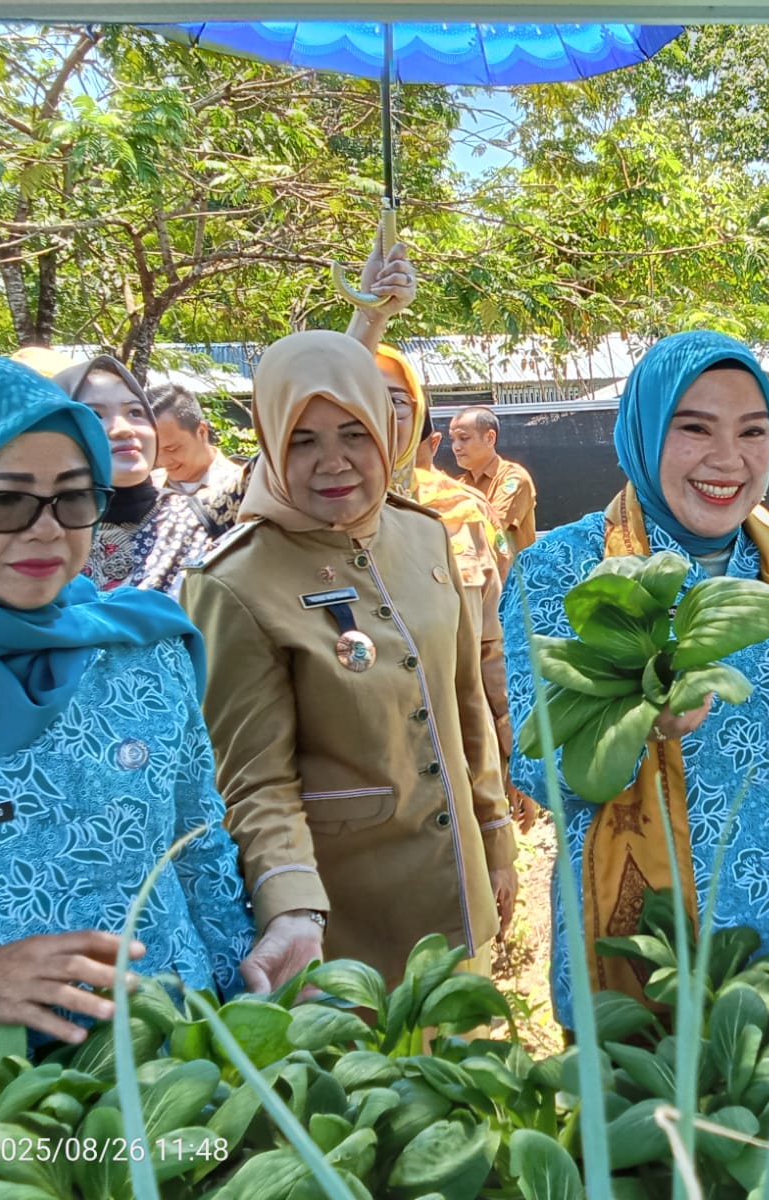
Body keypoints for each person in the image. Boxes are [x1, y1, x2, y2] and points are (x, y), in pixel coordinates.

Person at [502, 330, 769, 1027]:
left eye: (752, 431)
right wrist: (638, 723)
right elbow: (536, 762)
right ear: (645, 429)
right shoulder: (564, 570)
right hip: (651, 949)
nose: (728, 459)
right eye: (694, 428)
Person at [180, 331, 516, 991]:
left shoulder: (423, 534)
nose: (332, 462)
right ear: (270, 439)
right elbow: (253, 782)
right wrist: (290, 906)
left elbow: (462, 702)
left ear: (387, 433)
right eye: (303, 440)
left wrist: (495, 836)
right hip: (343, 931)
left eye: (353, 435)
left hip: (460, 893)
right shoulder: (234, 582)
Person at [0, 355, 253, 1050]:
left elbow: (199, 852)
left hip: (176, 1075)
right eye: (5, 499)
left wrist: (251, 1019)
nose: (48, 529)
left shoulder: (140, 650)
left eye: (75, 497)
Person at [378, 343, 530, 831]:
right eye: (363, 395)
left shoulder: (462, 509)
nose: (381, 413)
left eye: (397, 400)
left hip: (460, 752)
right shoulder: (303, 519)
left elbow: (492, 645)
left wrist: (514, 753)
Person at [55, 356, 218, 595]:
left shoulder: (208, 516)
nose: (122, 428)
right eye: (95, 415)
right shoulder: (41, 532)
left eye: (134, 411)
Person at [149, 383, 246, 537]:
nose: (163, 461)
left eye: (171, 449)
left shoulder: (240, 487)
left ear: (201, 431)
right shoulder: (150, 487)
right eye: (155, 451)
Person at [448, 405, 537, 552]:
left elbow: (492, 529)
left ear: (490, 438)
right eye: (453, 439)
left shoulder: (513, 478)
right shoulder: (459, 485)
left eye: (463, 438)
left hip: (509, 574)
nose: (456, 447)